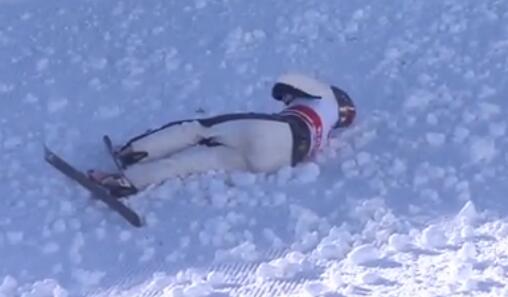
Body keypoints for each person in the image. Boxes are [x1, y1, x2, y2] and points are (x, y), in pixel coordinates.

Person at [88, 73, 356, 197]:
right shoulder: (328, 128)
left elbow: (283, 85)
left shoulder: (324, 93)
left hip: (273, 131)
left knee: (195, 131)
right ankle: (126, 183)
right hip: (278, 160)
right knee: (189, 163)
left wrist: (288, 95)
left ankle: (130, 152)